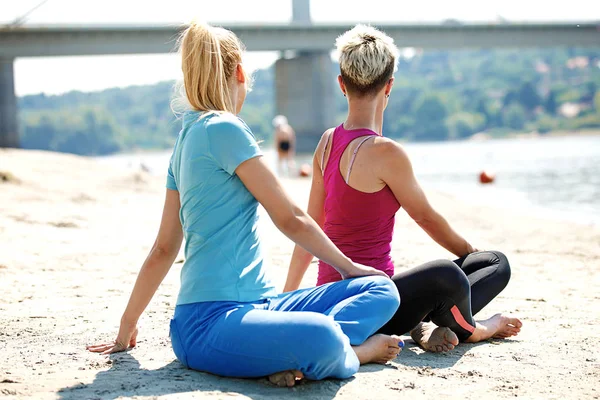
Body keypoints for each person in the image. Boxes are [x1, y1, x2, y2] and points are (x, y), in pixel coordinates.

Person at [87, 22, 404, 387]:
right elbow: (291, 218)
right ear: (239, 72)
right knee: (323, 332)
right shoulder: (225, 128)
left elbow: (163, 248)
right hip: (211, 324)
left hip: (261, 309)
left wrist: (128, 326)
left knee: (381, 288)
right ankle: (354, 351)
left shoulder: (186, 138)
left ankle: (291, 354)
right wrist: (347, 266)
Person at [283, 25, 522, 353]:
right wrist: (472, 256)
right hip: (378, 305)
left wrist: (290, 298)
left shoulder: (326, 143)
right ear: (389, 86)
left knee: (450, 274)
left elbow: (308, 228)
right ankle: (476, 328)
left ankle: (426, 325)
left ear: (342, 84)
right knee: (489, 265)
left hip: (333, 297)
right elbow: (426, 218)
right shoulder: (386, 152)